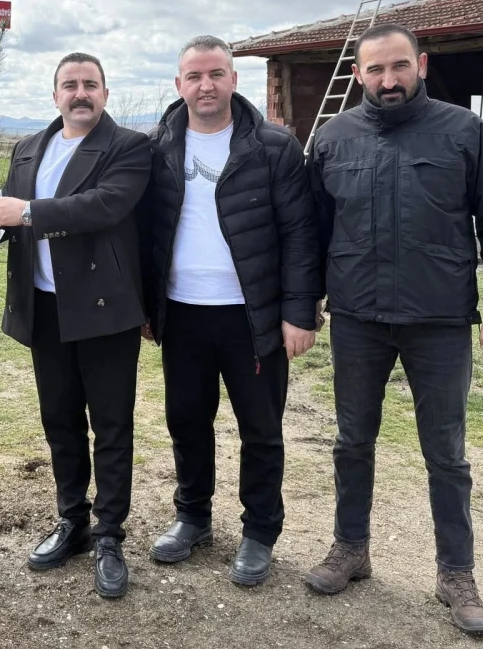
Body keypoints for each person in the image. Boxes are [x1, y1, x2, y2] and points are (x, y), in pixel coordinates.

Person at [304, 23, 483, 637]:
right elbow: (310, 231)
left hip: (439, 319)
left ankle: (456, 573)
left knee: (446, 454)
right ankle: (351, 548)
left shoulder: (463, 132)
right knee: (352, 441)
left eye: (399, 66)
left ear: (421, 65)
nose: (389, 79)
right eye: (376, 70)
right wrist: (304, 302)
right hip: (357, 317)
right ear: (359, 74)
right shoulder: (334, 137)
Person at [140, 35, 322, 587]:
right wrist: (147, 305)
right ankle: (193, 516)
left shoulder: (274, 146)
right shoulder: (157, 148)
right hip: (182, 312)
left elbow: (300, 233)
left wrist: (300, 312)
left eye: (216, 74)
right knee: (186, 420)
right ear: (179, 84)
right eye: (195, 76)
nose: (206, 85)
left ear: (234, 80)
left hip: (252, 314)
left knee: (260, 428)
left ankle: (260, 531)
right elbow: (147, 232)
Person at [0, 52, 150, 599]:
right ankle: (72, 520)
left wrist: (25, 211)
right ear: (55, 96)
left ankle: (109, 535)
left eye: (90, 84)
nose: (80, 93)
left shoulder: (129, 147)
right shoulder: (29, 147)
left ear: (105, 93)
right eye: (69, 85)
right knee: (61, 421)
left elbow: (103, 206)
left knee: (112, 425)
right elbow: (10, 220)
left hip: (104, 307)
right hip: (44, 305)